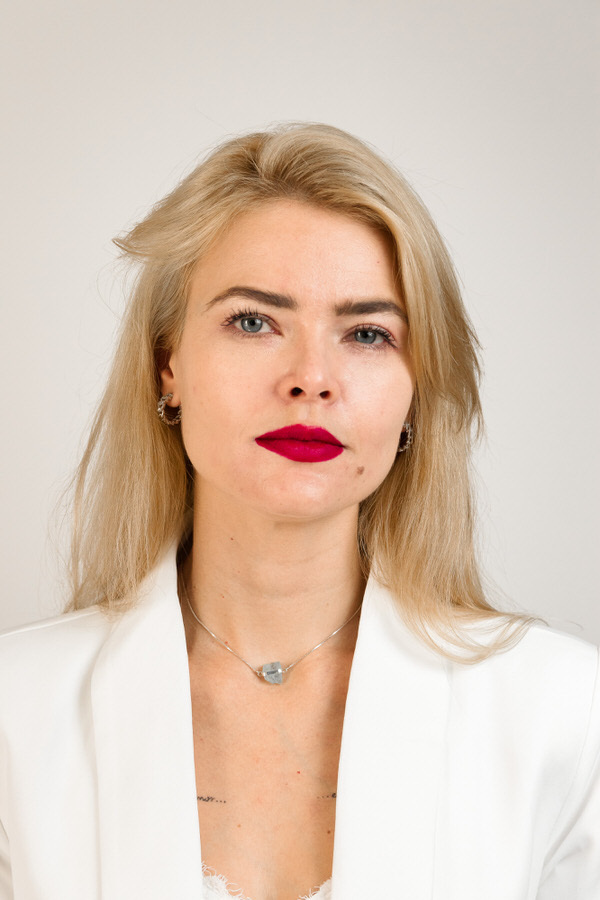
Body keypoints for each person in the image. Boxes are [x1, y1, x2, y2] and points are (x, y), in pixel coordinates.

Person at [0, 123, 598, 900]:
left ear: (417, 389)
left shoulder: (564, 715)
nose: (312, 377)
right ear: (167, 365)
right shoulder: (16, 713)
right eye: (254, 321)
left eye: (367, 334)